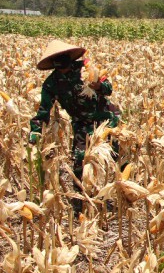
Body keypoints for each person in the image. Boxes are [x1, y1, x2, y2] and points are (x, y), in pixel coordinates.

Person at [29, 40, 121, 212]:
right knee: (79, 159)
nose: (63, 67)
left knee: (117, 157)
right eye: (58, 64)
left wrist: (99, 85)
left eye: (65, 62)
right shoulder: (51, 84)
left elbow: (109, 89)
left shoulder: (86, 68)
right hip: (81, 123)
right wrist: (35, 132)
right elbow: (43, 111)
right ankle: (80, 201)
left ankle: (123, 196)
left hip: (105, 119)